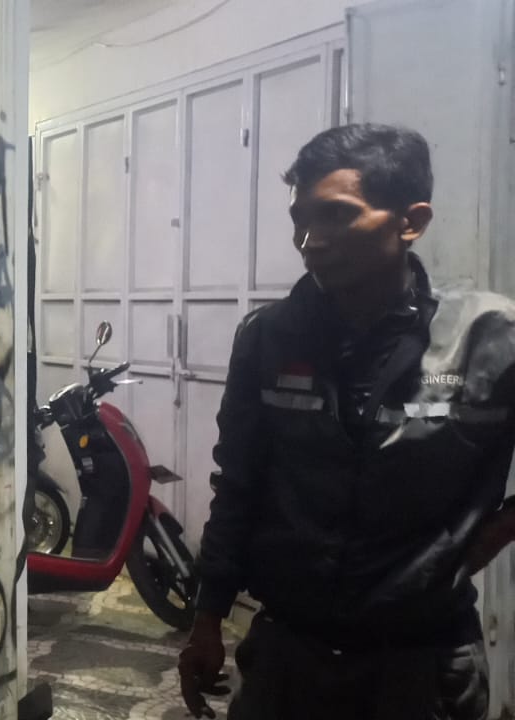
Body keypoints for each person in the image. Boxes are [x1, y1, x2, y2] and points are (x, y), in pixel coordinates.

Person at [178, 124, 515, 720]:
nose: (309, 241)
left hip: (423, 667)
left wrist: (465, 553)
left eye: (336, 215)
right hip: (287, 659)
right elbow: (237, 485)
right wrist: (207, 619)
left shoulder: (489, 339)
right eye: (299, 219)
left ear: (411, 222)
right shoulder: (268, 337)